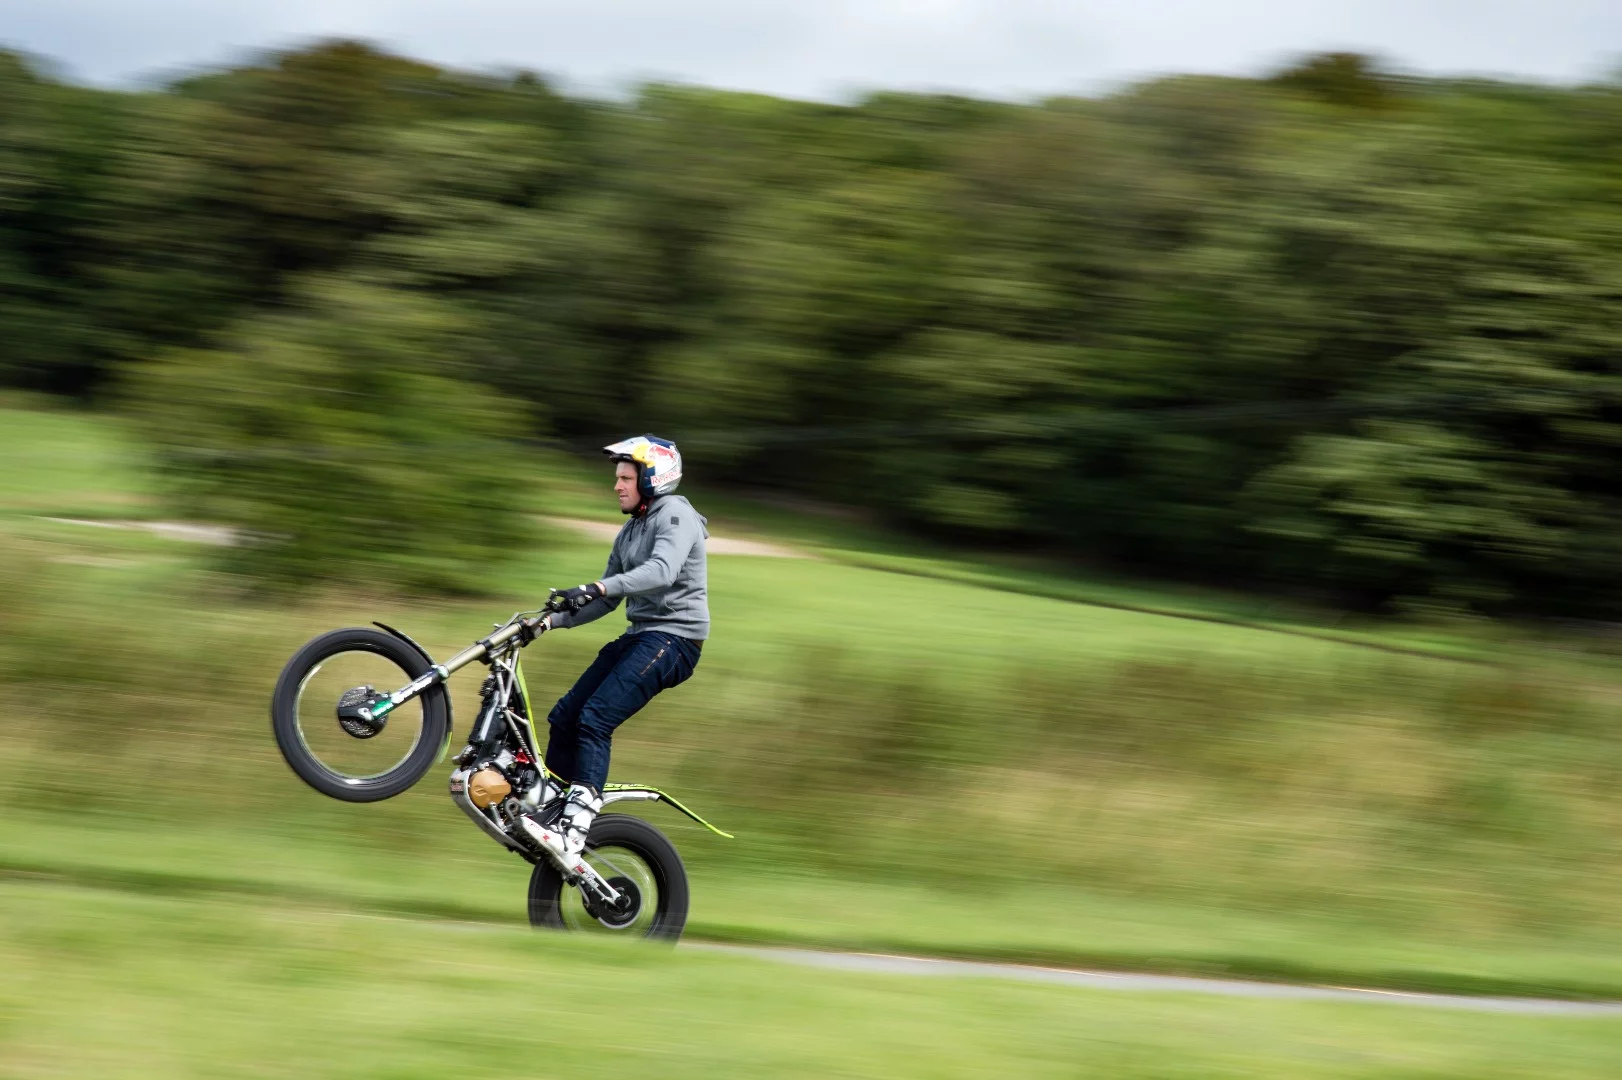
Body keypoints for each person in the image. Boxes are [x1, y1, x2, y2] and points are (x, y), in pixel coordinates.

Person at [518, 434, 708, 860]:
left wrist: (599, 586)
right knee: (565, 717)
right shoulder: (630, 531)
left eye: (626, 478)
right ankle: (552, 811)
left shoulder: (675, 514)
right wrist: (548, 622)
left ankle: (577, 824)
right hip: (642, 636)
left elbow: (661, 571)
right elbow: (605, 600)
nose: (617, 486)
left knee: (595, 718)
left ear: (653, 478)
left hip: (675, 640)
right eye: (617, 478)